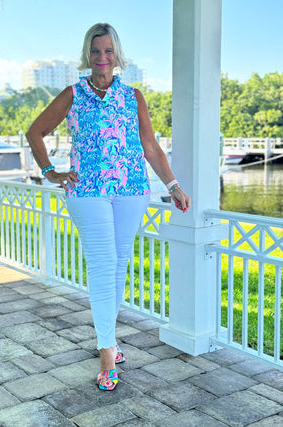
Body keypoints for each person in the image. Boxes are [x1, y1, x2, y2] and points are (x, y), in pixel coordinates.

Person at [26, 22, 191, 391]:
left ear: (117, 56)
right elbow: (35, 131)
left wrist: (173, 184)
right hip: (87, 192)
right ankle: (106, 350)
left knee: (118, 264)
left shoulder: (133, 97)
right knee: (102, 264)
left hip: (132, 188)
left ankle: (109, 338)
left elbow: (149, 147)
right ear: (88, 55)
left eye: (108, 51)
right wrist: (50, 171)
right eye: (96, 51)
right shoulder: (72, 94)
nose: (102, 58)